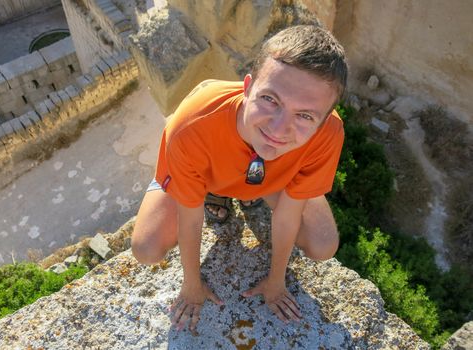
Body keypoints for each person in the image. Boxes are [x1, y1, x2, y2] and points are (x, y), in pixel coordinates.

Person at [131, 24, 348, 332]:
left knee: (323, 245)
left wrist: (277, 283)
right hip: (205, 175)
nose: (279, 128)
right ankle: (213, 192)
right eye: (271, 99)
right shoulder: (192, 124)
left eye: (305, 116)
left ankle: (249, 193)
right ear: (247, 87)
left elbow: (289, 214)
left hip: (274, 178)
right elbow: (190, 218)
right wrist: (192, 286)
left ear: (325, 120)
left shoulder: (328, 134)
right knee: (146, 250)